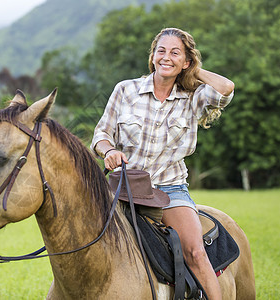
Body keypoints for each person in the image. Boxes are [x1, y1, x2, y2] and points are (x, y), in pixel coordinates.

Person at [91, 28, 234, 300]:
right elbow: (101, 134)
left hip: (170, 189)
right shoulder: (126, 89)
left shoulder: (193, 96)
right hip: (123, 186)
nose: (165, 57)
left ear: (186, 61)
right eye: (161, 51)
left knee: (195, 251)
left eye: (175, 53)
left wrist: (192, 71)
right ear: (152, 56)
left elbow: (226, 89)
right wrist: (108, 150)